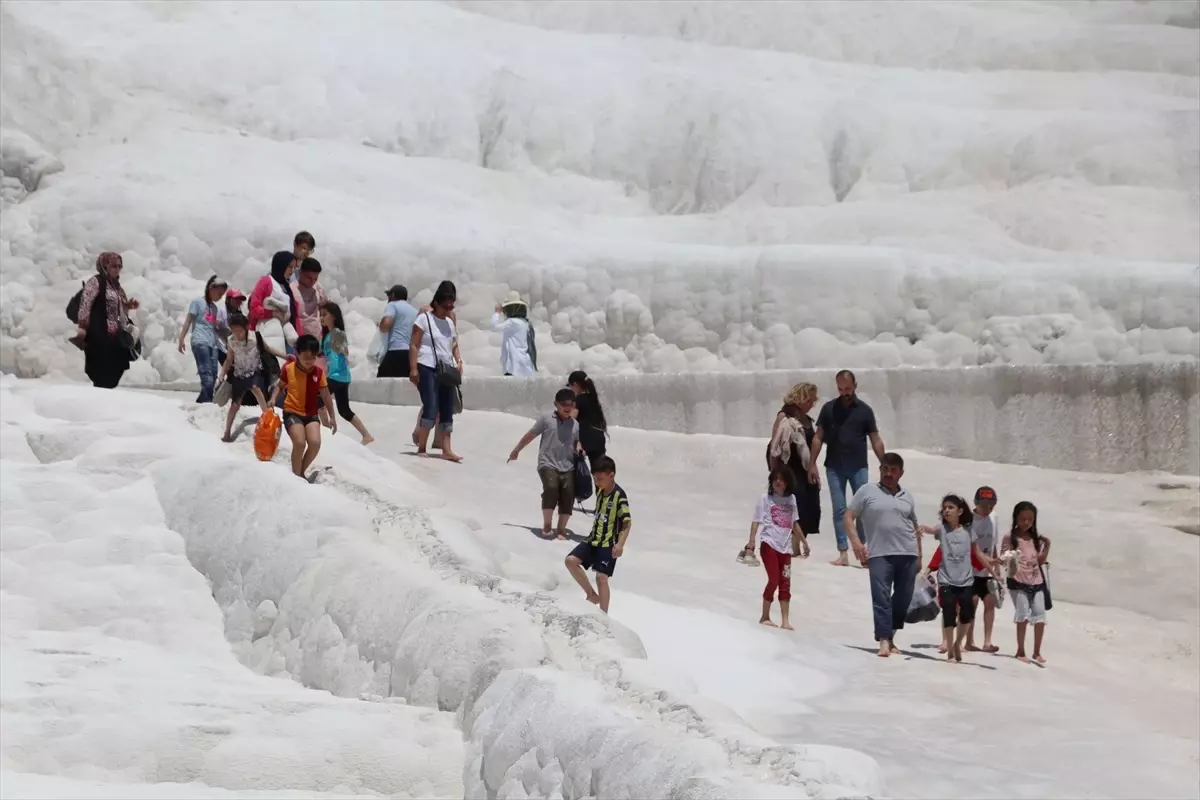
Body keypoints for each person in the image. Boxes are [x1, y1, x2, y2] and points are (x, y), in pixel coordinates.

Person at [844, 452, 921, 658]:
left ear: (901, 473)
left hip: (907, 552)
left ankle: (891, 634)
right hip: (879, 552)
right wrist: (857, 544)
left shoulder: (907, 496)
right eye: (884, 469)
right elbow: (849, 516)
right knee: (881, 597)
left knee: (903, 598)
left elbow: (914, 525)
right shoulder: (867, 490)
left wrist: (919, 554)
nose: (888, 473)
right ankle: (884, 640)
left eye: (892, 470)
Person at [808, 370, 887, 567]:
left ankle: (863, 549)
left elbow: (875, 438)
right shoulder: (829, 409)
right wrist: (811, 464)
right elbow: (818, 437)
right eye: (841, 389)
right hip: (834, 467)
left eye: (848, 388)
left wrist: (885, 462)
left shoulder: (865, 411)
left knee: (861, 509)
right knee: (839, 509)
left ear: (855, 386)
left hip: (858, 467)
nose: (844, 392)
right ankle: (843, 552)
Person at [922, 495, 996, 663]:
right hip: (946, 580)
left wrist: (994, 572)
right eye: (945, 508)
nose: (946, 510)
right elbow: (931, 530)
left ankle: (957, 643)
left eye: (950, 507)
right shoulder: (942, 529)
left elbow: (979, 555)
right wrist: (921, 528)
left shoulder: (969, 531)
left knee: (967, 614)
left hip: (966, 581)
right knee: (948, 613)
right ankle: (949, 648)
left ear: (960, 511)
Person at [507, 388, 582, 540]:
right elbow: (531, 434)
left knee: (568, 494)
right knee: (551, 488)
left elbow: (576, 442)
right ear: (556, 404)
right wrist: (516, 450)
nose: (567, 407)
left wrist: (580, 449)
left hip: (567, 464)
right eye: (563, 404)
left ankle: (561, 529)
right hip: (547, 463)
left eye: (571, 404)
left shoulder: (575, 424)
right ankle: (547, 525)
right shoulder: (546, 419)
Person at [745, 466, 811, 630]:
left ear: (787, 482)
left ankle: (785, 620)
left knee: (785, 582)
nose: (778, 482)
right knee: (774, 579)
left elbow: (794, 522)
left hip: (786, 548)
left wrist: (804, 542)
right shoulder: (765, 498)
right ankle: (765, 615)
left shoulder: (791, 500)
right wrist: (751, 542)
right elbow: (756, 521)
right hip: (769, 544)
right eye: (775, 479)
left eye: (781, 479)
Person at [565, 456, 630, 614]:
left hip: (608, 543)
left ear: (611, 475)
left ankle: (604, 615)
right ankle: (592, 595)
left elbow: (627, 522)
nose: (597, 482)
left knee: (602, 578)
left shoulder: (619, 496)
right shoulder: (600, 490)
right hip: (593, 539)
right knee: (570, 561)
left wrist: (620, 544)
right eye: (595, 478)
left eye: (600, 479)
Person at [268, 334, 336, 479]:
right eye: (305, 358)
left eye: (312, 358)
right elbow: (279, 386)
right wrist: (273, 399)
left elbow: (325, 395)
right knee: (299, 443)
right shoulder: (289, 369)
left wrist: (332, 417)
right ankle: (297, 475)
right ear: (297, 354)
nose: (309, 362)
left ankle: (299, 474)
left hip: (311, 414)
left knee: (315, 443)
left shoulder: (319, 372)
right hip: (292, 411)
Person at [409, 280, 463, 461]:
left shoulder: (449, 322)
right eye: (447, 302)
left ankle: (446, 450)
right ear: (438, 301)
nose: (449, 306)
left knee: (447, 408)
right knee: (431, 406)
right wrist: (413, 368)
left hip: (446, 369)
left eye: (452, 302)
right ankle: (422, 447)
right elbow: (414, 345)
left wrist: (459, 360)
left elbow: (454, 344)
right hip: (427, 366)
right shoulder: (424, 318)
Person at [70, 252, 140, 389]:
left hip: (115, 341)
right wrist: (82, 331)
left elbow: (118, 311)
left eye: (120, 266)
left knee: (113, 376)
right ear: (104, 266)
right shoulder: (95, 282)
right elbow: (85, 305)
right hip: (99, 338)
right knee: (102, 377)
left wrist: (127, 305)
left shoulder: (117, 287)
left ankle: (105, 404)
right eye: (114, 266)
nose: (117, 269)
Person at [767, 382, 822, 553]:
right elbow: (775, 447)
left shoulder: (806, 419)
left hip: (805, 468)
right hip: (789, 468)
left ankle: (798, 543)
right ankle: (790, 546)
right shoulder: (785, 416)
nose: (811, 404)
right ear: (800, 398)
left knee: (809, 504)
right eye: (809, 400)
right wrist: (775, 474)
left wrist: (813, 466)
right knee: (793, 505)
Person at [1002, 501, 1051, 665]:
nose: (1026, 523)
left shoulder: (1035, 539)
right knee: (1022, 616)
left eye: (1030, 520)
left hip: (1036, 581)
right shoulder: (1010, 537)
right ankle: (1020, 650)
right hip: (1018, 581)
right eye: (1023, 519)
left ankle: (1037, 652)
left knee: (1040, 617)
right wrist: (1012, 558)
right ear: (1016, 518)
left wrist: (1047, 546)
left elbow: (1040, 561)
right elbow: (1003, 559)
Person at [320, 302, 374, 445]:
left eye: (324, 314)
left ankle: (325, 433)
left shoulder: (337, 333)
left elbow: (345, 351)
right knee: (344, 410)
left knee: (317, 400)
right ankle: (366, 435)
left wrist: (339, 346)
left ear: (334, 316)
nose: (321, 318)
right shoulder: (327, 335)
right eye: (320, 315)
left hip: (336, 376)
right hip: (341, 377)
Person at [216, 313, 270, 442]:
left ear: (246, 328)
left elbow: (269, 349)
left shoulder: (255, 336)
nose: (237, 334)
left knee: (256, 388)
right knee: (235, 405)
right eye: (234, 331)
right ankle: (227, 432)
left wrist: (285, 356)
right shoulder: (231, 340)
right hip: (239, 374)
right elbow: (229, 360)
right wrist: (222, 374)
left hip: (254, 371)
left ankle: (268, 419)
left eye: (239, 331)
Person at [177, 275, 229, 403]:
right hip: (200, 342)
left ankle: (202, 402)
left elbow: (214, 327)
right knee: (206, 374)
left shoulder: (215, 308)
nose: (220, 297)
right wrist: (181, 339)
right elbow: (189, 320)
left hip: (213, 344)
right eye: (219, 293)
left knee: (213, 374)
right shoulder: (197, 302)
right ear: (211, 288)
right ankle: (207, 402)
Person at [965, 486, 1001, 653]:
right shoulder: (968, 520)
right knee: (972, 602)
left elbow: (994, 543)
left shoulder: (994, 518)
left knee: (989, 602)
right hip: (970, 569)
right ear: (976, 503)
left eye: (991, 505)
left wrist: (997, 568)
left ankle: (987, 641)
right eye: (984, 505)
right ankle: (969, 641)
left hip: (987, 569)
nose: (987, 509)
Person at [567, 370, 608, 470]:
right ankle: (602, 486)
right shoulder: (593, 398)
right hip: (599, 439)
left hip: (586, 440)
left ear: (575, 385)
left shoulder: (579, 399)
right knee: (599, 474)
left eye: (570, 386)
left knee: (575, 471)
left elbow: (571, 419)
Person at [377, 284, 418, 378]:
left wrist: (380, 326)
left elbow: (386, 324)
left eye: (389, 295)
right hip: (410, 355)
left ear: (393, 295)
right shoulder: (415, 311)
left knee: (381, 384)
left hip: (395, 351)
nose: (388, 298)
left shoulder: (392, 305)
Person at [492, 291, 536, 376]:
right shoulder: (524, 322)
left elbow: (495, 326)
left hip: (513, 363)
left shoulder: (512, 322)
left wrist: (497, 312)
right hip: (524, 361)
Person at [291, 257, 328, 340]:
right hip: (300, 341)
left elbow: (326, 310)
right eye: (309, 278)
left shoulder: (318, 288)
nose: (312, 282)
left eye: (315, 278)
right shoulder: (292, 290)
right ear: (301, 273)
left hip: (318, 338)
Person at [219, 289, 247, 366]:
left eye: (240, 299)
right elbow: (208, 317)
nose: (238, 301)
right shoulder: (221, 311)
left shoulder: (240, 314)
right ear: (228, 299)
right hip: (221, 347)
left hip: (236, 347)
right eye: (235, 298)